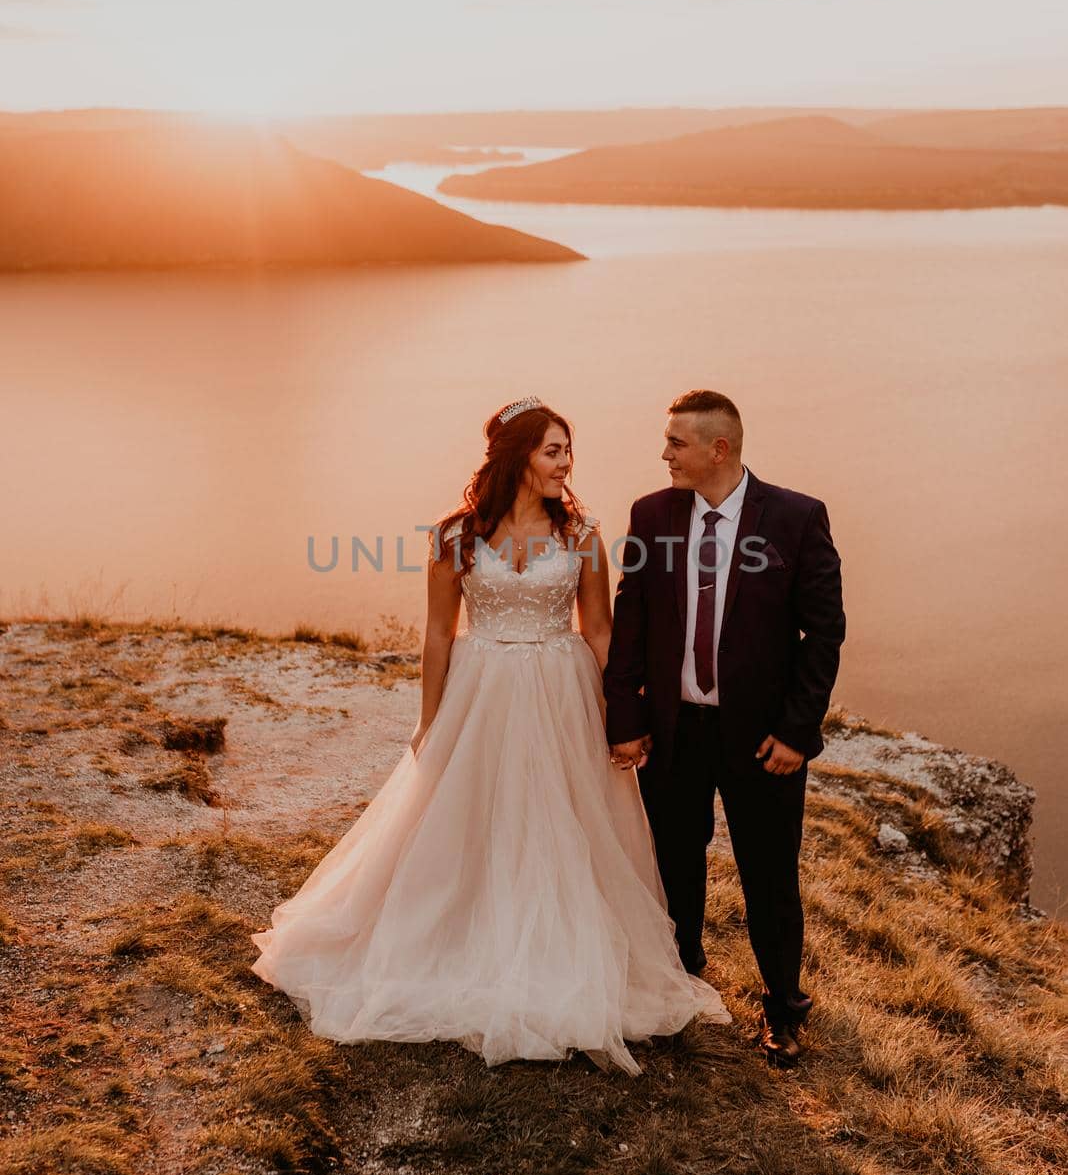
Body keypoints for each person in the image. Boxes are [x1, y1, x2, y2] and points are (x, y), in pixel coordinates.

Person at [250, 396, 730, 1075]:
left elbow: (598, 630)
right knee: (473, 820)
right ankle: (461, 942)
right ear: (518, 458)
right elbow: (439, 633)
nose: (566, 464)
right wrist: (430, 720)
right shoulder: (455, 537)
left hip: (563, 695)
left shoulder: (583, 535)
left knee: (564, 822)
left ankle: (563, 949)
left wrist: (627, 715)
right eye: (552, 451)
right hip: (484, 691)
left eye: (568, 451)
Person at [603, 389, 845, 1068]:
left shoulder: (797, 519)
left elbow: (824, 632)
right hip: (673, 734)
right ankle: (679, 983)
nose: (663, 454)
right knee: (673, 865)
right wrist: (626, 716)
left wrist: (798, 733)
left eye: (675, 443)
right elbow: (633, 620)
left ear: (719, 448)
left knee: (769, 876)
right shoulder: (651, 516)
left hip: (763, 739)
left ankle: (783, 1007)